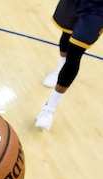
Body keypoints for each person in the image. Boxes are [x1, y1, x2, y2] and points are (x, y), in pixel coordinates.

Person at [36, 0, 103, 130]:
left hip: (97, 9)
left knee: (75, 53)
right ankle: (60, 68)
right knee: (66, 35)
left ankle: (48, 109)